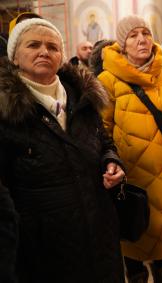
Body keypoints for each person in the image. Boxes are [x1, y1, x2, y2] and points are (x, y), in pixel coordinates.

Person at [0, 18, 125, 282]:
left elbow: (103, 140)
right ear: (14, 56)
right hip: (44, 245)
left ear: (61, 56)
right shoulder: (5, 111)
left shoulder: (83, 96)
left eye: (52, 47)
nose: (44, 51)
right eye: (33, 45)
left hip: (99, 229)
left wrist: (111, 160)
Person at [95, 15, 162, 283]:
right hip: (132, 173)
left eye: (145, 33)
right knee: (134, 235)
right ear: (122, 44)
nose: (142, 39)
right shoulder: (108, 79)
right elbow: (101, 129)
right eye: (133, 35)